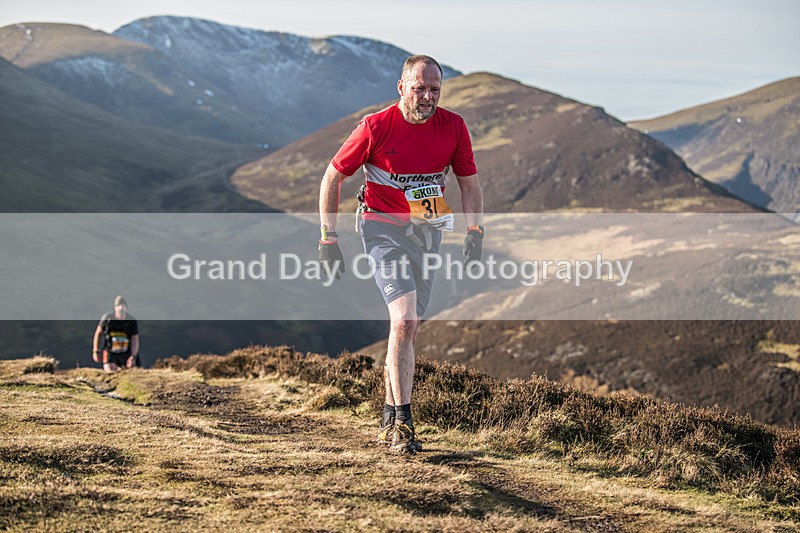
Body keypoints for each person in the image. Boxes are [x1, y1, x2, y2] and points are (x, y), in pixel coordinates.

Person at [318, 55, 484, 454]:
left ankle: (388, 414)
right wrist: (328, 238)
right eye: (419, 88)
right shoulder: (375, 127)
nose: (427, 97)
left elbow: (469, 183)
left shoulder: (454, 127)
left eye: (434, 90)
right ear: (401, 87)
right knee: (405, 320)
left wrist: (475, 231)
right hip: (381, 229)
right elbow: (332, 177)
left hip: (427, 230)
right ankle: (403, 424)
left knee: (408, 327)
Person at [92, 295, 140, 373]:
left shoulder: (131, 321)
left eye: (123, 306)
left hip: (126, 352)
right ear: (115, 308)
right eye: (119, 306)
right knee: (110, 371)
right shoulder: (107, 319)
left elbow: (135, 339)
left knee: (131, 372)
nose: (121, 308)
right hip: (110, 351)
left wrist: (133, 356)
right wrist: (96, 350)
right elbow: (98, 333)